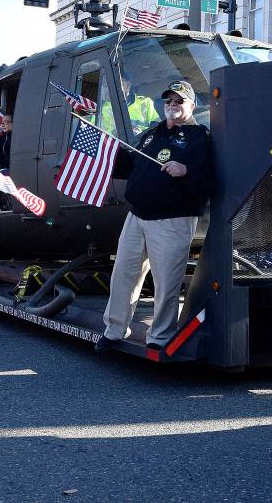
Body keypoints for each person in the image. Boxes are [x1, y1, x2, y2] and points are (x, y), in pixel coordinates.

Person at [96, 79, 214, 351]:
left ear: (192, 106)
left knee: (166, 284)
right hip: (137, 217)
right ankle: (114, 331)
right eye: (169, 101)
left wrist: (186, 171)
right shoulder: (151, 134)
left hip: (173, 220)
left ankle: (159, 338)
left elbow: (211, 178)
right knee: (123, 276)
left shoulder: (200, 137)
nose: (172, 105)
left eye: (179, 101)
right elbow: (131, 165)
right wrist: (108, 152)